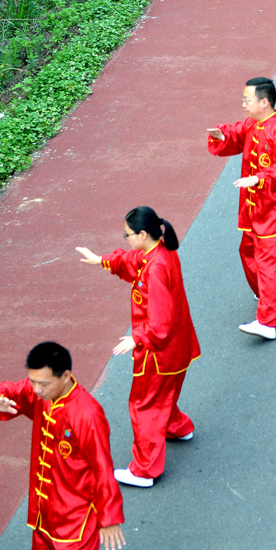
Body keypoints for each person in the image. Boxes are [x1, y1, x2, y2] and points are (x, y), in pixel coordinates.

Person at [76, 208, 200, 487]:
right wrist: (103, 260)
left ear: (143, 234)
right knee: (164, 396)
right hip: (177, 349)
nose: (127, 240)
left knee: (144, 405)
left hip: (159, 353)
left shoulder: (155, 269)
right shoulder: (162, 253)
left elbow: (162, 320)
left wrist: (138, 337)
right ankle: (178, 427)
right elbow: (132, 260)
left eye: (128, 235)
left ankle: (145, 469)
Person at [207, 76, 276, 340]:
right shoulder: (254, 123)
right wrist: (222, 134)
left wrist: (258, 178)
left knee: (269, 262)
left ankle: (268, 321)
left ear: (264, 102)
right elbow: (237, 134)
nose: (243, 104)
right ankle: (275, 292)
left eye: (247, 99)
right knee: (248, 251)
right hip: (255, 207)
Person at [0, 342, 125, 549]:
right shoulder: (40, 394)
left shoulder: (88, 414)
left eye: (44, 384)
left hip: (74, 522)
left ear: (66, 376)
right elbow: (13, 390)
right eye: (33, 382)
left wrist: (108, 518)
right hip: (43, 514)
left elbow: (101, 468)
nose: (37, 389)